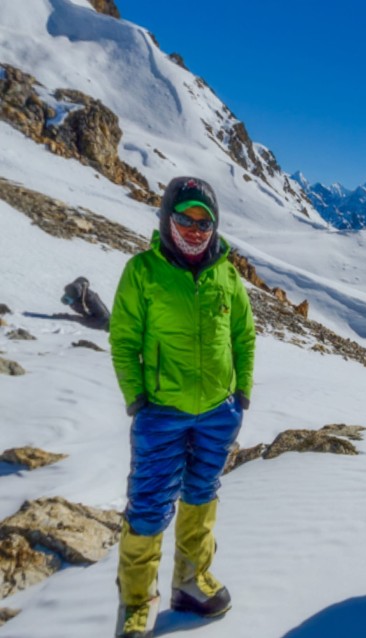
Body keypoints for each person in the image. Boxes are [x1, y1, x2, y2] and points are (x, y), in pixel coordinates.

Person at [108, 176, 255, 638]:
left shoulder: (227, 274)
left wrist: (241, 394)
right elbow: (123, 339)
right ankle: (136, 602)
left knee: (201, 494)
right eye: (185, 218)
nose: (194, 229)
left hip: (217, 411)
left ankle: (191, 582)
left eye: (203, 221)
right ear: (166, 219)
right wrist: (137, 398)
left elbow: (243, 335)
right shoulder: (143, 272)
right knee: (149, 505)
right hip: (162, 411)